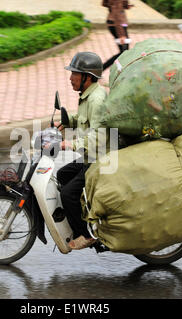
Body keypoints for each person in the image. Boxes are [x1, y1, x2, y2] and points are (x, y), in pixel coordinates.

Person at [54, 52, 107, 250]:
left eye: (74, 74)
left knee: (67, 193)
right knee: (62, 174)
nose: (70, 78)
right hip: (89, 157)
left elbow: (99, 137)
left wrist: (71, 144)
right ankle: (84, 213)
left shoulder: (96, 100)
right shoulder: (87, 96)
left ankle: (87, 235)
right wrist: (67, 122)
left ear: (87, 76)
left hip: (100, 159)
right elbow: (84, 120)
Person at [102, 0, 134, 70]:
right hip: (119, 25)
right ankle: (100, 69)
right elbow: (117, 14)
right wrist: (121, 34)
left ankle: (100, 69)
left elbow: (104, 3)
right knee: (124, 53)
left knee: (124, 52)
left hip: (114, 23)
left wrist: (124, 6)